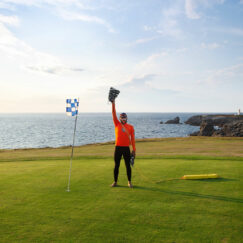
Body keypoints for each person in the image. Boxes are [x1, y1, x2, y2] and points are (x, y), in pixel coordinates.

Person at [111, 100, 136, 188]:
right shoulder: (117, 124)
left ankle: (129, 182)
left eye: (124, 118)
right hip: (117, 148)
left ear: (126, 118)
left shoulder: (130, 127)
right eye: (122, 118)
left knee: (128, 166)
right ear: (120, 118)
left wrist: (134, 150)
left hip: (126, 149)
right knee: (116, 166)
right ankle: (115, 182)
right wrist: (113, 103)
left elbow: (132, 139)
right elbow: (113, 113)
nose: (123, 119)